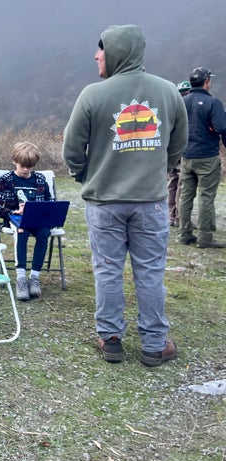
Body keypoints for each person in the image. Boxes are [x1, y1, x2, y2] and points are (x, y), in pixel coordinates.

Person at [63, 25, 188, 367]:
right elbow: (178, 143)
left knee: (107, 270)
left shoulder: (92, 95)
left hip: (104, 202)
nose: (96, 56)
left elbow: (71, 148)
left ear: (116, 51)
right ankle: (154, 344)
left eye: (100, 49)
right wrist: (159, 170)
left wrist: (84, 174)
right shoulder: (168, 92)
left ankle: (111, 338)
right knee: (150, 272)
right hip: (150, 201)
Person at [0, 142, 52, 301]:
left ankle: (35, 277)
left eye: (30, 166)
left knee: (45, 232)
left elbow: (49, 201)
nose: (26, 169)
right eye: (23, 165)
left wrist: (39, 210)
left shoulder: (39, 179)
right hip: (15, 219)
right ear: (15, 161)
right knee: (21, 231)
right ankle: (21, 278)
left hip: (37, 219)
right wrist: (12, 212)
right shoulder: (6, 180)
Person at [177, 67, 226, 248]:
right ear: (206, 81)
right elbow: (221, 127)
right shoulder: (213, 103)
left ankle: (184, 234)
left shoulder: (182, 101)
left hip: (187, 156)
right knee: (206, 197)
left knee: (185, 196)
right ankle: (205, 239)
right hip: (207, 156)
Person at [167, 81, 192, 227]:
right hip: (184, 150)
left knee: (172, 183)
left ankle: (171, 215)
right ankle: (179, 217)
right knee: (182, 184)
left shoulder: (172, 105)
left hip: (171, 150)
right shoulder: (188, 107)